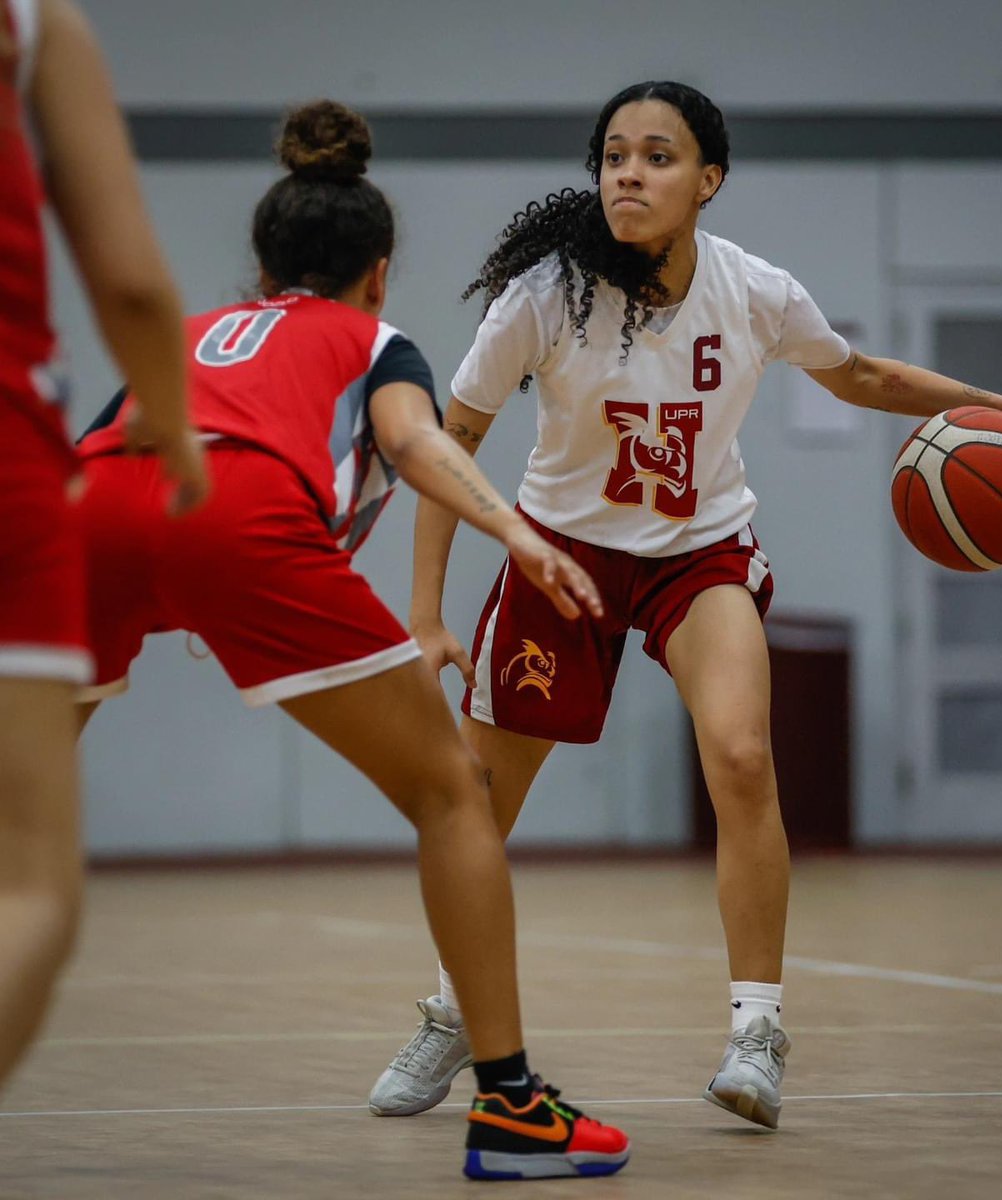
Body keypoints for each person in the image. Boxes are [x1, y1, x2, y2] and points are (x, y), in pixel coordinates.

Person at [369, 79, 1002, 1131]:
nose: (628, 174)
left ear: (709, 181)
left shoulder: (753, 290)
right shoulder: (545, 296)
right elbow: (446, 444)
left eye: (656, 156)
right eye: (613, 155)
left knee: (743, 758)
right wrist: (426, 611)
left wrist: (983, 404)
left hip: (699, 555)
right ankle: (452, 1012)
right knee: (479, 803)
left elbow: (864, 377)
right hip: (560, 554)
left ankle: (758, 1032)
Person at [75, 99, 629, 1181]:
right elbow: (415, 444)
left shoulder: (191, 336)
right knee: (451, 796)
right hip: (239, 516)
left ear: (262, 259)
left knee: (18, 812)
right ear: (377, 270)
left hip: (82, 505)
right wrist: (516, 529)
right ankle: (512, 1105)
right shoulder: (373, 341)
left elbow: (113, 452)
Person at [0, 0, 207, 1089]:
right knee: (27, 889)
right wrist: (172, 429)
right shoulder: (36, 27)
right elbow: (129, 282)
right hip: (9, 452)